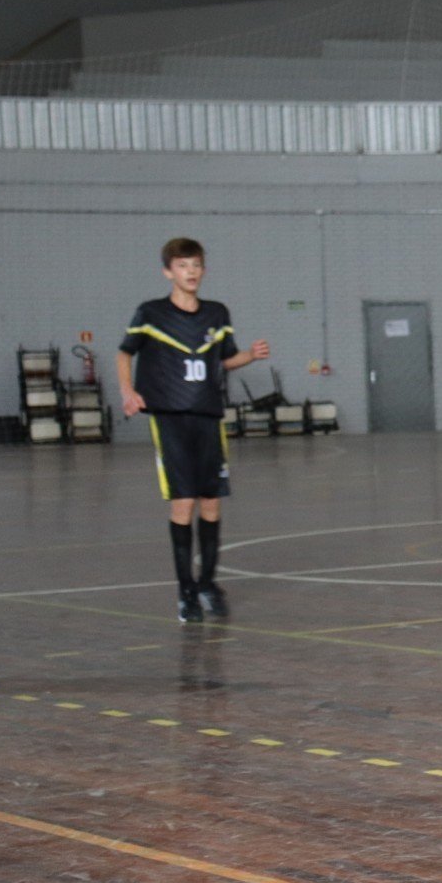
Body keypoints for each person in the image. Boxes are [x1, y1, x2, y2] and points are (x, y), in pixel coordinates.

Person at [118, 237, 270, 624]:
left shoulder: (217, 313)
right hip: (170, 418)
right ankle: (185, 592)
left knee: (212, 502)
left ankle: (208, 584)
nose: (191, 272)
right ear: (168, 271)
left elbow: (224, 359)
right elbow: (125, 352)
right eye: (183, 266)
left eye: (196, 265)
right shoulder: (150, 313)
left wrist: (250, 355)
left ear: (203, 270)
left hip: (208, 416)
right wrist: (128, 391)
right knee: (182, 502)